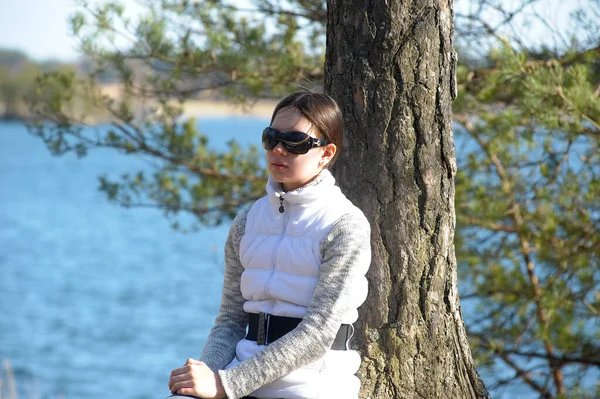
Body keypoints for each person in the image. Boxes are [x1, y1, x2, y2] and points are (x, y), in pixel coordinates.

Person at [167, 91, 371, 399]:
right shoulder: (247, 222)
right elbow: (230, 321)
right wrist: (202, 379)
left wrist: (226, 385)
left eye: (295, 142)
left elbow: (317, 335)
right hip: (244, 384)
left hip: (314, 389)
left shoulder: (345, 226)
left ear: (327, 153)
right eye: (271, 137)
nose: (278, 149)